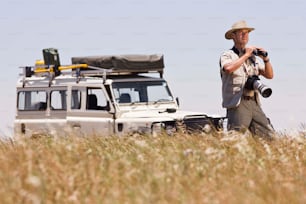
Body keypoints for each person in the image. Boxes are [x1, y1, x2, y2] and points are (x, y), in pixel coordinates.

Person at [219, 20, 275, 138]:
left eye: (247, 33)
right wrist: (246, 55)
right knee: (235, 140)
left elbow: (269, 75)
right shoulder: (228, 55)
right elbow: (228, 68)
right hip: (238, 103)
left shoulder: (252, 58)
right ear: (233, 36)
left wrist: (266, 59)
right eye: (241, 33)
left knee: (269, 137)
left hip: (254, 102)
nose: (245, 35)